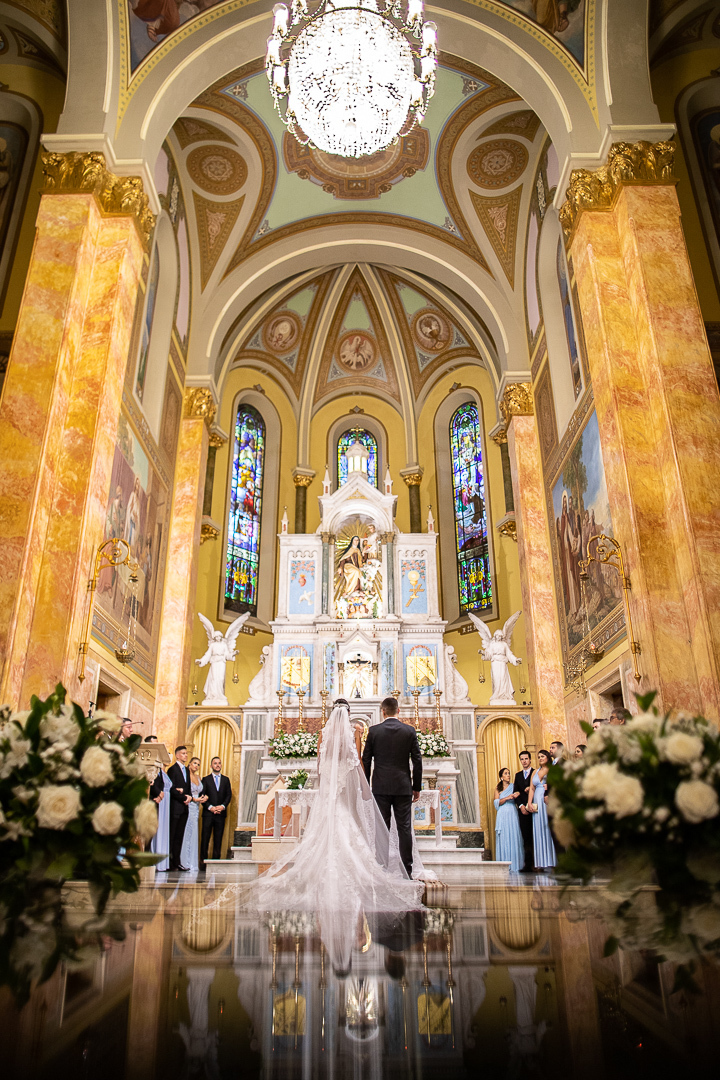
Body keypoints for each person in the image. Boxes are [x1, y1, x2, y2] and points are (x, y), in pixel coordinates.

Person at [248, 700, 422, 919]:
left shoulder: (334, 733)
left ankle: (375, 866)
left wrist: (336, 783)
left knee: (357, 826)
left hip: (341, 789)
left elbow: (325, 764)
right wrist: (364, 786)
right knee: (398, 827)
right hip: (391, 785)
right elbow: (359, 761)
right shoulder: (363, 732)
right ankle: (402, 868)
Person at [362, 696, 422, 878]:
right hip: (403, 786)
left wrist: (366, 784)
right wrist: (416, 786)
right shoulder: (409, 731)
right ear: (398, 711)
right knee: (404, 828)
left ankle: (382, 867)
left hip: (380, 787)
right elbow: (417, 761)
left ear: (383, 711)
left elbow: (366, 759)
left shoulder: (374, 731)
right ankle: (407, 870)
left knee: (383, 827)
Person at [200, 756, 232, 869]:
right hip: (208, 814)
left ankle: (215, 863)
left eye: (219, 763)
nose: (217, 765)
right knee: (205, 838)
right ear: (211, 766)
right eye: (215, 763)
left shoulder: (226, 779)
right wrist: (210, 807)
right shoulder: (205, 779)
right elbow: (202, 796)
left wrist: (222, 806)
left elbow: (229, 795)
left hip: (220, 814)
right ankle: (203, 864)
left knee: (218, 839)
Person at [527, 749, 556, 870]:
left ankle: (552, 861)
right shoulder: (535, 771)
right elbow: (532, 788)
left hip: (546, 801)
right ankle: (541, 862)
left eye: (542, 756)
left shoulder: (551, 769)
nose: (540, 758)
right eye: (538, 757)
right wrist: (529, 802)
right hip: (536, 802)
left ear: (548, 757)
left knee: (547, 829)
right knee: (538, 830)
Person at [494, 768, 524, 872]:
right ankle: (504, 863)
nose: (508, 775)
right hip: (502, 813)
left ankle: (516, 863)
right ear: (501, 777)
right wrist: (507, 797)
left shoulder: (513, 786)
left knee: (514, 835)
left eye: (509, 773)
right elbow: (496, 803)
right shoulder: (498, 789)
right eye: (506, 774)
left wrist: (517, 794)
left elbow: (519, 793)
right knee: (504, 836)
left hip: (512, 812)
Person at [167, 745, 192, 872]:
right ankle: (170, 862)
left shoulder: (187, 770)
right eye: (183, 753)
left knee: (180, 837)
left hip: (184, 808)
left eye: (186, 753)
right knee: (172, 835)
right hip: (175, 808)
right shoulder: (172, 770)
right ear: (177, 755)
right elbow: (171, 788)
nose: (185, 755)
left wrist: (189, 797)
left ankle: (177, 861)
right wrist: (183, 798)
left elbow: (188, 788)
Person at [181, 756, 207, 873]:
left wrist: (204, 797)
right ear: (189, 764)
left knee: (194, 833)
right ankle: (184, 861)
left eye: (198, 764)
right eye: (194, 763)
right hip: (189, 805)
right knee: (187, 832)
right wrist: (195, 800)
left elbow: (201, 792)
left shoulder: (198, 777)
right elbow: (187, 793)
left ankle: (192, 862)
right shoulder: (186, 776)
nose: (196, 766)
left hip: (196, 807)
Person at [513, 751, 535, 873]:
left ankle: (539, 864)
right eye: (522, 759)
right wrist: (521, 806)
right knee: (526, 838)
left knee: (536, 837)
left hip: (535, 810)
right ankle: (528, 864)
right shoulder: (518, 775)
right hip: (523, 811)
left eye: (526, 758)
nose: (524, 761)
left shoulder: (535, 772)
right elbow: (516, 792)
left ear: (530, 760)